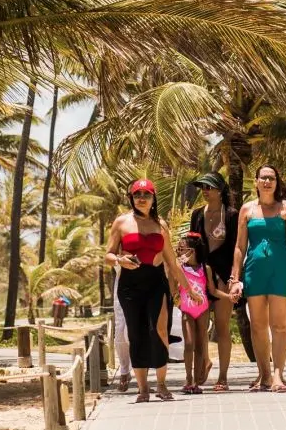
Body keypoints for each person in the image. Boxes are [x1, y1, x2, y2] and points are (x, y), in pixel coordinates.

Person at [105, 178, 204, 403]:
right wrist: (120, 259)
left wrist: (190, 290)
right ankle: (143, 388)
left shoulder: (161, 224)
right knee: (136, 333)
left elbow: (173, 261)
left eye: (146, 195)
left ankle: (161, 383)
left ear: (153, 198)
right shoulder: (121, 223)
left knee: (159, 331)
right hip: (130, 284)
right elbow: (107, 256)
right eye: (137, 195)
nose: (141, 199)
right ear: (131, 198)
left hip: (155, 282)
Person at [231, 164, 286, 392]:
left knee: (280, 325)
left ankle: (278, 375)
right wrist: (235, 278)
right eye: (263, 178)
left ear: (277, 182)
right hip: (254, 271)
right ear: (256, 181)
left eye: (271, 178)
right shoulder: (246, 210)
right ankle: (263, 374)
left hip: (281, 270)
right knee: (257, 325)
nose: (267, 182)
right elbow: (239, 246)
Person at [190, 171, 246, 391]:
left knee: (222, 326)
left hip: (224, 274)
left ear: (220, 190)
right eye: (202, 187)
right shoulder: (197, 215)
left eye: (209, 187)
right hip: (201, 275)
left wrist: (234, 278)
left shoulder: (232, 215)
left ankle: (223, 377)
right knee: (200, 327)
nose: (205, 191)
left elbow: (238, 248)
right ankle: (204, 362)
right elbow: (192, 246)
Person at [177, 232, 232, 394]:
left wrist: (228, 296)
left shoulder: (205, 268)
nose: (179, 251)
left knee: (201, 344)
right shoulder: (180, 268)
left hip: (203, 310)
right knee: (188, 344)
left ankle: (195, 382)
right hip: (187, 309)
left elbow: (213, 291)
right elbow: (172, 285)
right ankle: (188, 379)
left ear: (192, 250)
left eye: (182, 248)